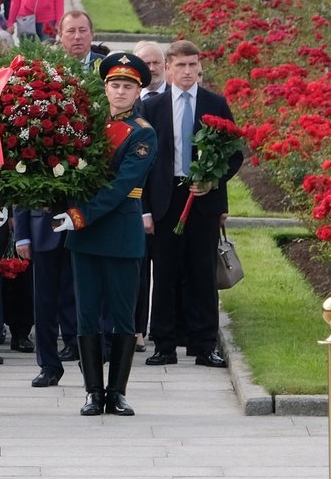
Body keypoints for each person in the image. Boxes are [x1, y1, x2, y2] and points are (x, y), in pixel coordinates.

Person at [58, 53, 157, 416]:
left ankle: (116, 392)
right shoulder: (88, 126)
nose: (120, 91)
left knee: (122, 315)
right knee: (86, 314)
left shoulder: (143, 133)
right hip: (85, 235)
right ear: (105, 88)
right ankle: (92, 392)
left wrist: (80, 214)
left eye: (127, 86)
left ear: (138, 92)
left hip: (119, 232)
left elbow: (122, 185)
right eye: (115, 85)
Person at [140, 40, 241, 369]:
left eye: (192, 65)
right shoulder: (153, 107)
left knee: (202, 273)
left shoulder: (215, 103)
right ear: (168, 68)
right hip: (165, 198)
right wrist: (145, 210)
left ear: (199, 67)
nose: (187, 71)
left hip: (203, 197)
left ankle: (204, 345)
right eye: (180, 65)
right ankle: (164, 344)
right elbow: (143, 161)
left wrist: (213, 180)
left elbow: (234, 153)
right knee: (165, 272)